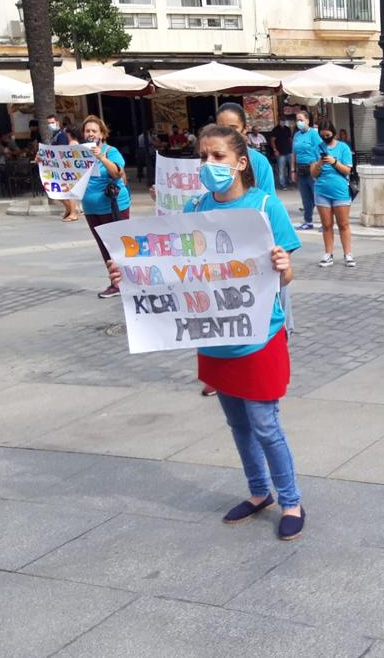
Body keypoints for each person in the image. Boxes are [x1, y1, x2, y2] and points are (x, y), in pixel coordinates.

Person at [107, 125, 305, 538]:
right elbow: (181, 271)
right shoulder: (198, 206)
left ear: (240, 163)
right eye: (203, 156)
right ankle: (257, 493)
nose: (209, 164)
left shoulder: (265, 207)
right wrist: (128, 273)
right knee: (237, 423)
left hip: (259, 336)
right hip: (216, 336)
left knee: (265, 423)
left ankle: (290, 500)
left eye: (218, 157)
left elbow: (283, 280)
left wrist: (284, 268)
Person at [79, 115, 131, 299]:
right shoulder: (79, 152)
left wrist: (101, 156)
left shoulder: (111, 151)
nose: (90, 134)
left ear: (102, 134)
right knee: (104, 247)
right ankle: (116, 283)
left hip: (114, 206)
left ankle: (128, 281)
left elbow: (117, 172)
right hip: (91, 208)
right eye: (87, 131)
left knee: (118, 245)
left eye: (94, 130)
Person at [310, 119, 355, 268]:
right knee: (326, 224)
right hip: (322, 190)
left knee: (343, 224)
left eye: (328, 135)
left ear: (333, 133)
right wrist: (319, 164)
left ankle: (348, 254)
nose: (325, 138)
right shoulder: (317, 149)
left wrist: (334, 162)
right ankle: (328, 253)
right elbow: (313, 174)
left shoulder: (343, 148)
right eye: (322, 136)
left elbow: (347, 170)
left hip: (340, 190)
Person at [214, 103, 275, 194]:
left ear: (244, 129)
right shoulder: (209, 160)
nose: (227, 133)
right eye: (221, 128)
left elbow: (268, 200)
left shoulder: (259, 161)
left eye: (233, 128)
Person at [290, 111, 322, 231]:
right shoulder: (297, 135)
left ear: (308, 121)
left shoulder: (313, 134)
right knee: (305, 197)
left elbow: (321, 150)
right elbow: (293, 153)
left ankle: (325, 222)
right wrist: (292, 170)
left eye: (301, 120)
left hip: (312, 168)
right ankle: (308, 221)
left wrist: (319, 167)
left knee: (318, 196)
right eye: (297, 120)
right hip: (300, 168)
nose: (299, 122)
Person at [46, 115, 78, 221]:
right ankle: (69, 209)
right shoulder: (55, 135)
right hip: (58, 167)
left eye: (52, 122)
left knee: (66, 190)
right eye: (48, 123)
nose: (50, 125)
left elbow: (62, 151)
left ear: (57, 122)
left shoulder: (61, 135)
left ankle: (72, 211)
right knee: (57, 191)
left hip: (64, 167)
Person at [272, 119, 294, 190]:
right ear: (278, 120)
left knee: (291, 167)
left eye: (283, 120)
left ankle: (290, 182)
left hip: (289, 151)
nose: (282, 121)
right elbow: (272, 140)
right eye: (281, 120)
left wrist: (293, 148)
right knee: (281, 169)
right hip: (280, 152)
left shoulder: (287, 129)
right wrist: (275, 150)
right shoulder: (275, 129)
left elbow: (290, 139)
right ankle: (282, 184)